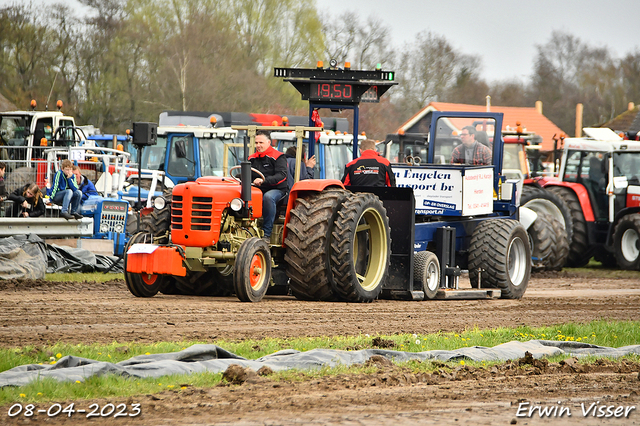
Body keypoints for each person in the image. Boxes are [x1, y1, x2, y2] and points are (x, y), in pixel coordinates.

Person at [248, 130, 288, 240]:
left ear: (269, 142)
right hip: (259, 189)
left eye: (261, 143)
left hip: (277, 189)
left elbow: (282, 175)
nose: (258, 145)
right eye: (256, 143)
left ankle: (266, 233)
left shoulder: (278, 157)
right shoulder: (252, 158)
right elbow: (247, 174)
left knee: (268, 197)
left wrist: (263, 180)